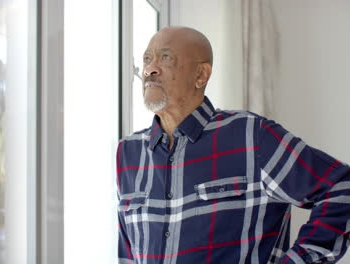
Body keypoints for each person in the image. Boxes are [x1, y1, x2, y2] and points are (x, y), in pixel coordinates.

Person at [116, 26, 350, 264]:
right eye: (147, 59)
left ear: (201, 75)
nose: (149, 69)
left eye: (165, 58)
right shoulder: (127, 153)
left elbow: (342, 187)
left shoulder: (252, 136)